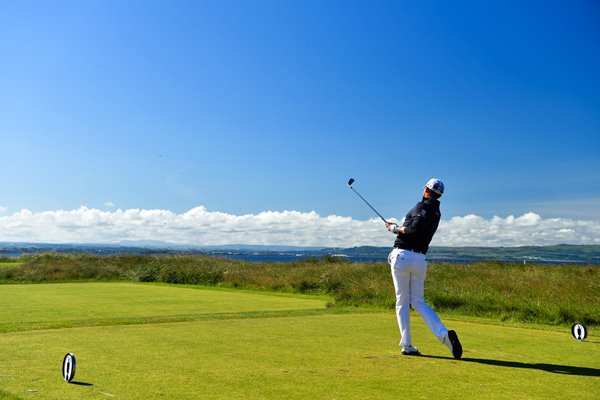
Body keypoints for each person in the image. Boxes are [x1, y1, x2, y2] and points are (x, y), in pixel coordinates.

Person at [385, 178, 462, 359]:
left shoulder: (421, 207)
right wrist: (399, 227)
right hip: (420, 259)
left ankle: (407, 344)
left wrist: (395, 229)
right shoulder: (436, 212)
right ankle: (443, 334)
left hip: (403, 256)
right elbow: (416, 229)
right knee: (418, 301)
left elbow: (413, 230)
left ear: (426, 191)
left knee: (402, 301)